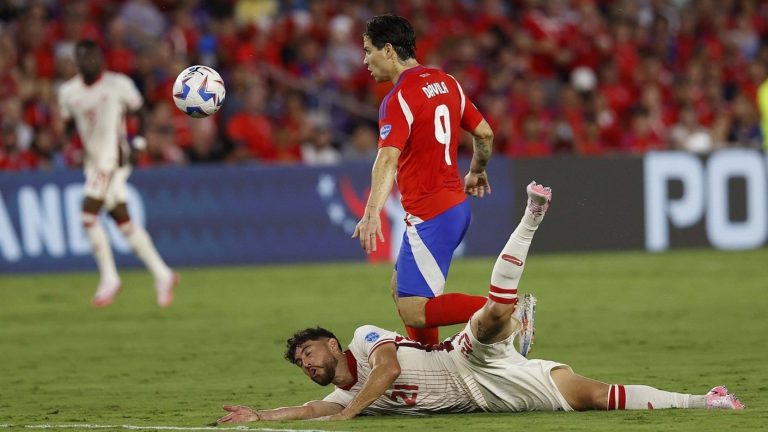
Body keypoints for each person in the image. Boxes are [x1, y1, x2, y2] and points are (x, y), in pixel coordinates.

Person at [217, 182, 744, 423]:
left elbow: (387, 369)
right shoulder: (338, 399)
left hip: (462, 358)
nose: (308, 363)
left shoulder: (363, 340)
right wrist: (260, 416)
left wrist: (349, 413)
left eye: (310, 352)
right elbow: (310, 410)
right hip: (488, 398)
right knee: (593, 396)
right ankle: (704, 399)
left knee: (491, 318)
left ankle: (531, 220)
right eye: (302, 363)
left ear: (331, 344)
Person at [352, 15, 495, 345]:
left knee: (415, 309)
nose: (364, 60)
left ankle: (506, 308)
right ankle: (430, 357)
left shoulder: (398, 98)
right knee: (398, 287)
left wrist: (371, 212)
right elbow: (484, 133)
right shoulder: (447, 82)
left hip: (433, 213)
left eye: (368, 50)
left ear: (388, 50)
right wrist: (476, 170)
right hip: (453, 208)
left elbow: (387, 158)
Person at [57, 40, 178, 308]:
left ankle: (109, 277)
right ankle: (163, 274)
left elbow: (142, 114)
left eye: (95, 57)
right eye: (85, 59)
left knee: (88, 215)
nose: (91, 63)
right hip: (93, 161)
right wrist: (68, 145)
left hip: (114, 158)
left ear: (101, 59)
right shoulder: (68, 92)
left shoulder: (118, 84)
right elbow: (68, 126)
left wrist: (140, 143)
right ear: (78, 63)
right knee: (121, 218)